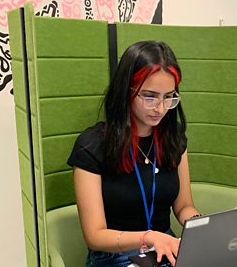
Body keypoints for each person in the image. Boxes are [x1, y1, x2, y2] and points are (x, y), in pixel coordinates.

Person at [67, 40, 200, 267]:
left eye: (169, 97)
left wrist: (201, 228)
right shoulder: (92, 145)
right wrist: (147, 237)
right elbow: (95, 235)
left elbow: (183, 206)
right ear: (126, 91)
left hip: (164, 248)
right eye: (150, 96)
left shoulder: (173, 138)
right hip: (113, 256)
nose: (160, 107)